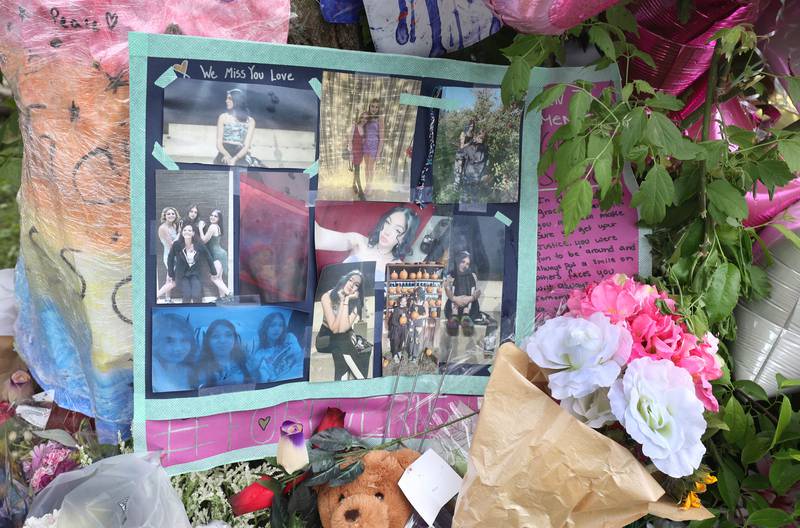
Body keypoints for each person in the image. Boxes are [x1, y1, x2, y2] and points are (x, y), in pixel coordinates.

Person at [315, 205, 420, 282]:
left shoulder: (398, 270)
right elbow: (319, 238)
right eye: (387, 222)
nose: (387, 232)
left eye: (397, 230)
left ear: (404, 239)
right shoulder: (358, 241)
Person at [316, 270, 370, 380]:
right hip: (325, 338)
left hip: (344, 336)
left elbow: (344, 328)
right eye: (350, 280)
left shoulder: (356, 303)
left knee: (365, 348)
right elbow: (335, 329)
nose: (351, 286)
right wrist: (342, 302)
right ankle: (361, 380)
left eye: (356, 285)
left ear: (358, 290)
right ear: (344, 280)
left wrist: (346, 301)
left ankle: (342, 381)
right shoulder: (327, 296)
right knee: (344, 341)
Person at [167, 224, 226, 303]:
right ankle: (186, 313)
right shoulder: (176, 245)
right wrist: (171, 274)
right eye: (184, 230)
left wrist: (213, 271)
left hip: (195, 274)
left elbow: (208, 257)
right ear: (182, 233)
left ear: (193, 233)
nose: (187, 232)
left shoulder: (199, 244)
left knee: (197, 294)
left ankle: (197, 312)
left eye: (189, 230)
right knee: (187, 294)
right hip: (182, 274)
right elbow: (170, 259)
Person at [247, 312, 303, 383]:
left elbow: (300, 359)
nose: (277, 329)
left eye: (281, 325)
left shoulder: (290, 339)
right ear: (265, 327)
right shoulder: (259, 354)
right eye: (272, 325)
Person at [151, 312, 198, 392]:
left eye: (184, 340)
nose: (178, 348)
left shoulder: (190, 371)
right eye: (169, 341)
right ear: (155, 342)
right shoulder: (151, 369)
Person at [214, 88, 259, 167]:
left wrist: (235, 159)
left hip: (240, 153)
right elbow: (219, 143)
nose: (226, 101)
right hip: (225, 151)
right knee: (223, 164)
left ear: (237, 100)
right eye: (227, 98)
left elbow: (246, 146)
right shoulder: (223, 117)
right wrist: (226, 155)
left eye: (230, 99)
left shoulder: (250, 121)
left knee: (242, 167)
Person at [198, 319, 248, 388]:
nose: (222, 341)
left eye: (228, 335)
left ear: (235, 339)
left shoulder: (246, 363)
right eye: (215, 336)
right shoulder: (200, 370)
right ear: (208, 341)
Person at [444, 251, 482, 324]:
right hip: (454, 306)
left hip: (470, 307)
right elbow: (447, 288)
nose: (465, 265)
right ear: (458, 261)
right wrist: (455, 299)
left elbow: (478, 291)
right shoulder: (451, 276)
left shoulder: (473, 276)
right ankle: (455, 317)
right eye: (463, 262)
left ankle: (466, 316)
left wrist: (470, 298)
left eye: (467, 264)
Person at [458, 130, 490, 203]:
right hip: (477, 176)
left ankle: (461, 212)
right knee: (474, 198)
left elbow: (460, 153)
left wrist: (470, 142)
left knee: (464, 197)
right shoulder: (486, 148)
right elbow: (487, 162)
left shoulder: (470, 148)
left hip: (468, 175)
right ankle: (474, 210)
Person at [156, 207, 180, 302]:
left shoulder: (174, 226)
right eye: (168, 214)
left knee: (169, 278)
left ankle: (167, 298)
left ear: (175, 215)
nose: (171, 215)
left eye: (173, 213)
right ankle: (156, 295)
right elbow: (171, 245)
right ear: (164, 216)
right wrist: (180, 233)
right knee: (173, 280)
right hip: (169, 256)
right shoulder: (162, 228)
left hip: (175, 256)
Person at [362, 98, 383, 192]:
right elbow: (361, 128)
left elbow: (382, 138)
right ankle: (367, 185)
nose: (374, 108)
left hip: (374, 145)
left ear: (378, 108)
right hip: (365, 144)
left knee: (371, 167)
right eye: (372, 106)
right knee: (366, 167)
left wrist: (378, 153)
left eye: (376, 107)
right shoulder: (366, 116)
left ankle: (370, 186)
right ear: (369, 106)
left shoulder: (380, 118)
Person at [199, 209, 228, 280]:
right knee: (219, 279)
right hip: (220, 253)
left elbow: (203, 241)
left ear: (219, 219)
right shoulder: (217, 226)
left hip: (217, 255)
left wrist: (200, 228)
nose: (212, 217)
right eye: (211, 215)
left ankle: (228, 292)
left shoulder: (213, 227)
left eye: (215, 216)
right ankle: (225, 291)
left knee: (215, 279)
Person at [349, 111, 369, 201]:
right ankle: (361, 192)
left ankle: (353, 184)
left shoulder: (365, 129)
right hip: (354, 152)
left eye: (366, 118)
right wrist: (350, 154)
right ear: (360, 117)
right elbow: (350, 140)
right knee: (357, 171)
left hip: (361, 152)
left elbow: (363, 142)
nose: (364, 120)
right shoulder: (354, 126)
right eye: (363, 117)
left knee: (357, 170)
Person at [386, 295, 410, 364]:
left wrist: (407, 322)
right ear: (400, 302)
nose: (405, 302)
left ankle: (399, 351)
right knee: (395, 342)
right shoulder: (396, 310)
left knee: (401, 341)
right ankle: (395, 355)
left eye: (406, 301)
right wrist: (400, 323)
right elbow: (393, 321)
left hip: (403, 329)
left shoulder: (406, 309)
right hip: (396, 329)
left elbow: (407, 319)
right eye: (404, 301)